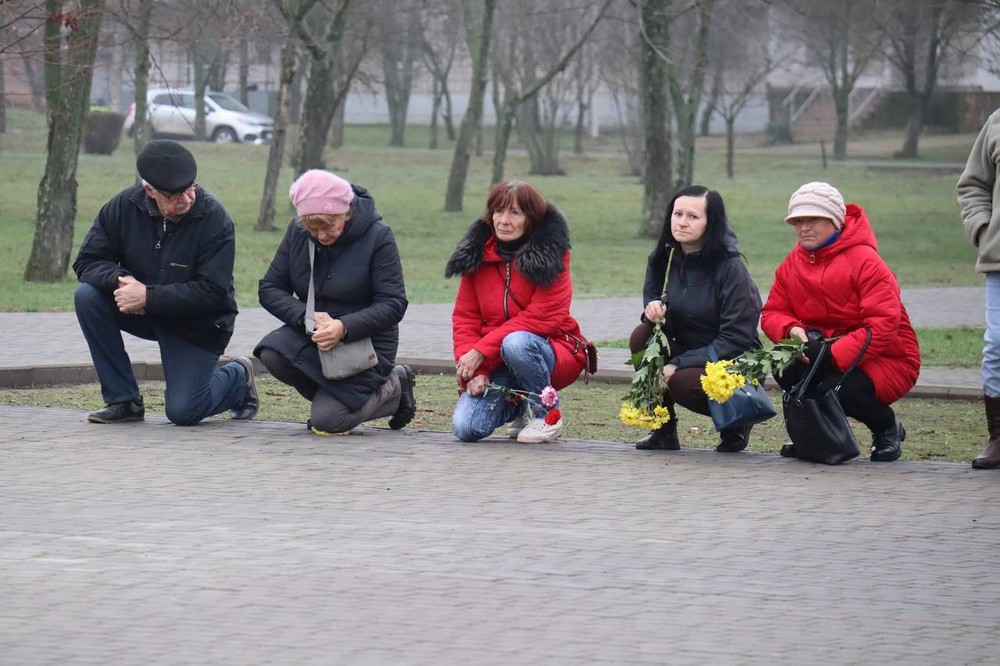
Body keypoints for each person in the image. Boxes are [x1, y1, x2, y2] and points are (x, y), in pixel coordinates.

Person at [73, 139, 258, 426]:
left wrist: (148, 296)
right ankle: (124, 400)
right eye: (174, 195)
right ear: (150, 190)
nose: (186, 199)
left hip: (197, 325)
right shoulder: (123, 207)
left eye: (190, 188)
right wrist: (123, 282)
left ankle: (238, 378)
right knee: (87, 297)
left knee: (184, 412)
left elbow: (212, 292)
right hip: (144, 313)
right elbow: (86, 262)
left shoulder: (215, 219)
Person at [761, 181, 920, 462]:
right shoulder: (791, 264)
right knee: (785, 366)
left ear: (835, 221)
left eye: (813, 219)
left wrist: (832, 355)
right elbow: (772, 312)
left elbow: (882, 325)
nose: (804, 227)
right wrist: (792, 331)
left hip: (889, 357)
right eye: (798, 221)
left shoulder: (866, 261)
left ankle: (886, 428)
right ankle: (812, 434)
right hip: (825, 351)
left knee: (842, 389)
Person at [254, 169, 415, 435]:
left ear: (347, 212)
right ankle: (333, 400)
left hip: (367, 344)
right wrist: (305, 316)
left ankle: (393, 387)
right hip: (314, 335)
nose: (320, 236)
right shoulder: (297, 233)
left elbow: (393, 303)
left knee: (328, 423)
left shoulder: (378, 236)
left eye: (328, 226)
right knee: (272, 353)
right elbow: (269, 288)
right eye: (312, 228)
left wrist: (344, 327)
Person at [445, 180, 590, 443]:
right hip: (497, 357)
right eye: (498, 212)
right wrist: (476, 371)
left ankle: (547, 415)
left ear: (531, 219)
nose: (504, 221)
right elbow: (465, 317)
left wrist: (480, 352)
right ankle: (517, 406)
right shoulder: (477, 256)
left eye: (515, 213)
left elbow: (543, 317)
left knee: (517, 342)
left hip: (549, 350)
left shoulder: (552, 255)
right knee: (465, 428)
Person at [627, 185, 763, 453]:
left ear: (711, 223)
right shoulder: (664, 258)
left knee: (682, 382)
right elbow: (653, 295)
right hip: (688, 348)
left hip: (731, 361)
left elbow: (738, 338)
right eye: (677, 214)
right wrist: (652, 309)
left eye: (693, 216)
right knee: (642, 336)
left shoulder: (731, 268)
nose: (682, 223)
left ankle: (735, 424)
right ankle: (663, 431)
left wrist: (678, 363)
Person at [958, 111, 1000, 469]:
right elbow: (972, 184)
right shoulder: (997, 123)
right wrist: (983, 230)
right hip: (999, 262)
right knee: (997, 345)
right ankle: (998, 437)